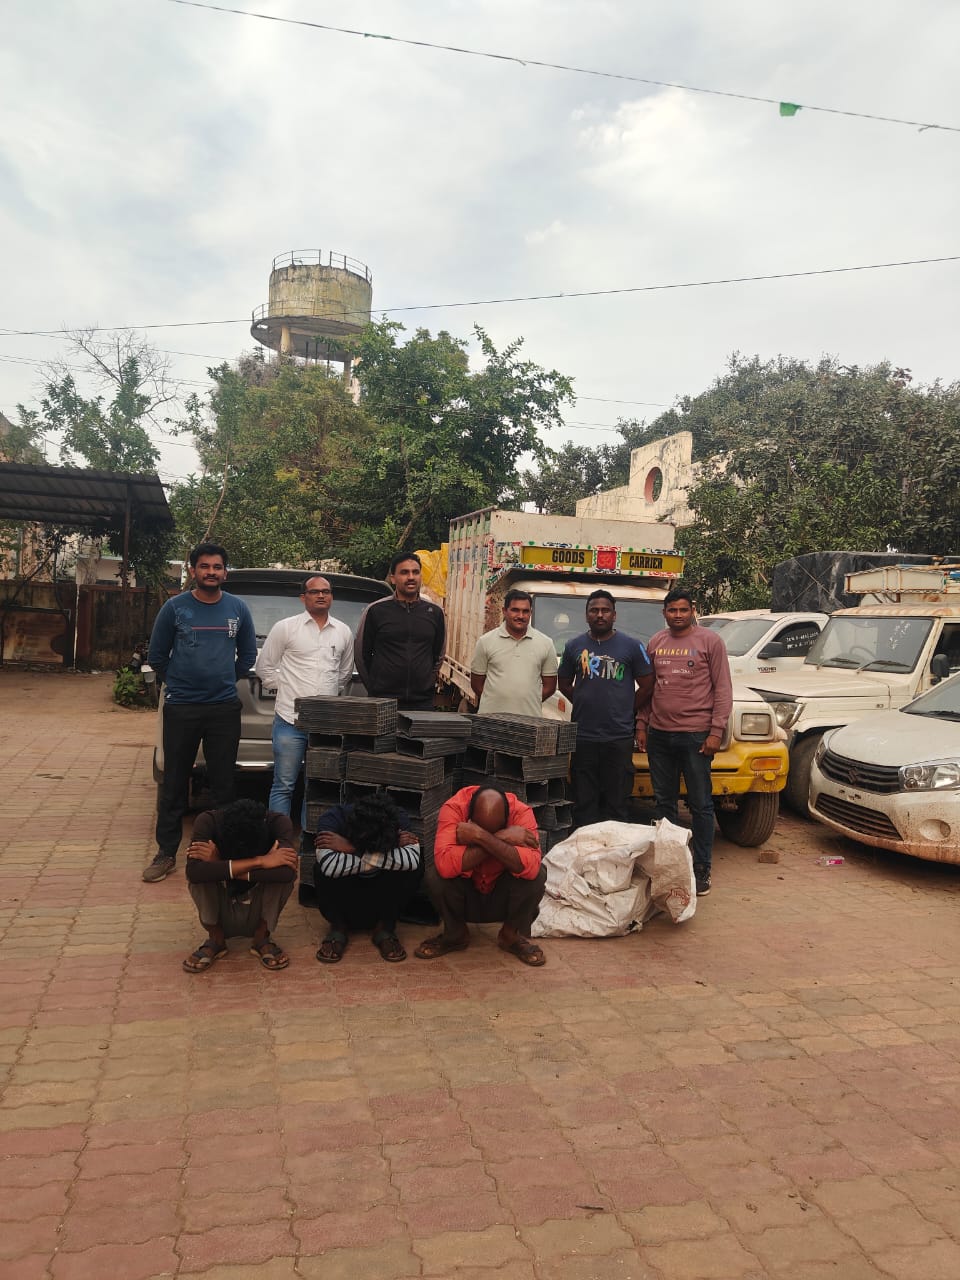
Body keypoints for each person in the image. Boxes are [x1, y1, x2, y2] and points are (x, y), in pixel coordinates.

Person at [143, 543, 257, 883]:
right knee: (174, 783)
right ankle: (166, 853)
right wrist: (180, 683)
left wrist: (225, 679)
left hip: (224, 708)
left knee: (224, 786)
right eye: (204, 566)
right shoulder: (175, 608)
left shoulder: (238, 608)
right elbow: (157, 655)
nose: (211, 572)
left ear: (225, 572)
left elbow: (247, 655)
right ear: (193, 571)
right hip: (182, 708)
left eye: (217, 567)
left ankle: (223, 851)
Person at [635, 588, 732, 897]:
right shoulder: (656, 642)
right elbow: (649, 689)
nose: (677, 615)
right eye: (672, 610)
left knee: (701, 804)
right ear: (664, 612)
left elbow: (723, 689)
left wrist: (716, 731)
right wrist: (642, 724)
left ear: (692, 611)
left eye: (683, 610)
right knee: (664, 803)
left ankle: (701, 868)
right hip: (660, 735)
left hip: (696, 736)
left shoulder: (711, 642)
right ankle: (670, 864)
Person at [255, 575, 354, 822]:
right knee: (283, 784)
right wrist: (287, 688)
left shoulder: (343, 631)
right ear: (303, 598)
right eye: (314, 592)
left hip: (325, 725)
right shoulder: (285, 628)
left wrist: (328, 695)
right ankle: (279, 839)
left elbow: (344, 674)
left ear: (331, 596)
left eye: (326, 591)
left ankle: (309, 841)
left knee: (317, 785)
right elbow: (265, 668)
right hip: (290, 720)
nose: (321, 595)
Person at [416, 783, 547, 966]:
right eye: (480, 829)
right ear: (469, 816)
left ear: (506, 819)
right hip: (466, 898)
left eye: (495, 830)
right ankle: (455, 934)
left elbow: (531, 867)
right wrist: (500, 838)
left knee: (537, 876)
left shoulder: (521, 812)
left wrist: (480, 836)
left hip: (501, 898)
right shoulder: (454, 808)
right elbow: (445, 864)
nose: (485, 834)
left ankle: (511, 935)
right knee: (435, 877)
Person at [557, 589, 653, 827]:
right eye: (594, 610)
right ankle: (585, 844)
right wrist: (583, 701)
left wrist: (626, 708)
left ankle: (616, 847)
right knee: (584, 801)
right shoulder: (573, 646)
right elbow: (564, 684)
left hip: (618, 736)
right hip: (584, 735)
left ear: (614, 615)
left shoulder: (632, 646)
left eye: (605, 610)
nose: (600, 615)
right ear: (586, 615)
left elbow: (647, 685)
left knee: (617, 802)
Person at [182, 798, 298, 973]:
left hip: (258, 907)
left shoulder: (279, 823)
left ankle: (261, 937)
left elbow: (288, 873)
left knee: (283, 875)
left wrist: (219, 863)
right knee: (200, 877)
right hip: (221, 906)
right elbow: (194, 872)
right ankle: (216, 938)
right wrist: (261, 861)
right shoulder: (207, 822)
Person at [312, 791, 421, 963]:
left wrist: (353, 849)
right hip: (345, 892)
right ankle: (339, 927)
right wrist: (386, 851)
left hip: (383, 892)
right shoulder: (332, 819)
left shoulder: (397, 818)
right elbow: (330, 866)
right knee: (320, 867)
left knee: (416, 867)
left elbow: (412, 861)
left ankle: (384, 927)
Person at [355, 553, 445, 711]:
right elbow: (362, 655)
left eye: (415, 572)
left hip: (422, 702)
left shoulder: (435, 612)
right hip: (383, 701)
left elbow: (438, 655)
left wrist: (425, 683)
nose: (411, 577)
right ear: (393, 578)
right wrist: (376, 687)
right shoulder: (376, 611)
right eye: (404, 572)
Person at [470, 589, 558, 716]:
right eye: (515, 610)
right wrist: (496, 702)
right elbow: (476, 684)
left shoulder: (546, 644)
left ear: (531, 613)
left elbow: (550, 687)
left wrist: (529, 701)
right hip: (491, 721)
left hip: (529, 721)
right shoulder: (485, 642)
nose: (520, 616)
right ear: (504, 611)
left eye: (525, 611)